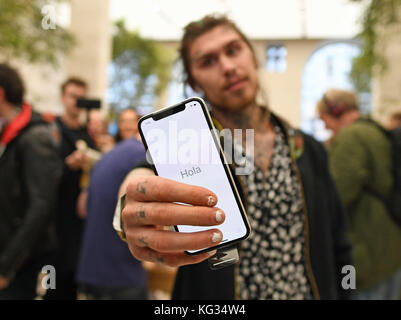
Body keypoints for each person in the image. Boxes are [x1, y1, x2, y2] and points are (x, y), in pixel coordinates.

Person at [113, 15, 352, 300]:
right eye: (207, 61)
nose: (227, 67)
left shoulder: (307, 147)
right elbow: (143, 175)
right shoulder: (190, 147)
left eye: (233, 50)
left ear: (253, 56)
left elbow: (339, 240)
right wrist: (130, 206)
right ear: (194, 81)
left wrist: (348, 292)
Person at [317, 88, 401, 299]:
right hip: (388, 249)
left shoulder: (350, 137)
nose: (325, 125)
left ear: (336, 111)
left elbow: (336, 198)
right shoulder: (372, 129)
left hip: (365, 259)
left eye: (324, 118)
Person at [0, 64, 62, 299]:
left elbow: (40, 207)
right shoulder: (9, 132)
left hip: (22, 265)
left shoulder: (35, 137)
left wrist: (7, 265)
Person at [76, 132, 148, 300]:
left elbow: (82, 208)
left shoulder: (106, 157)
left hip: (89, 268)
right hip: (121, 274)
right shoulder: (142, 156)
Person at [44, 77, 96, 300]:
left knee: (74, 283)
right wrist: (67, 165)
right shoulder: (51, 131)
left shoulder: (90, 135)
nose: (77, 102)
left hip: (81, 224)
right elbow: (42, 174)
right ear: (63, 98)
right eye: (73, 96)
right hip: (54, 223)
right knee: (53, 284)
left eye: (81, 97)